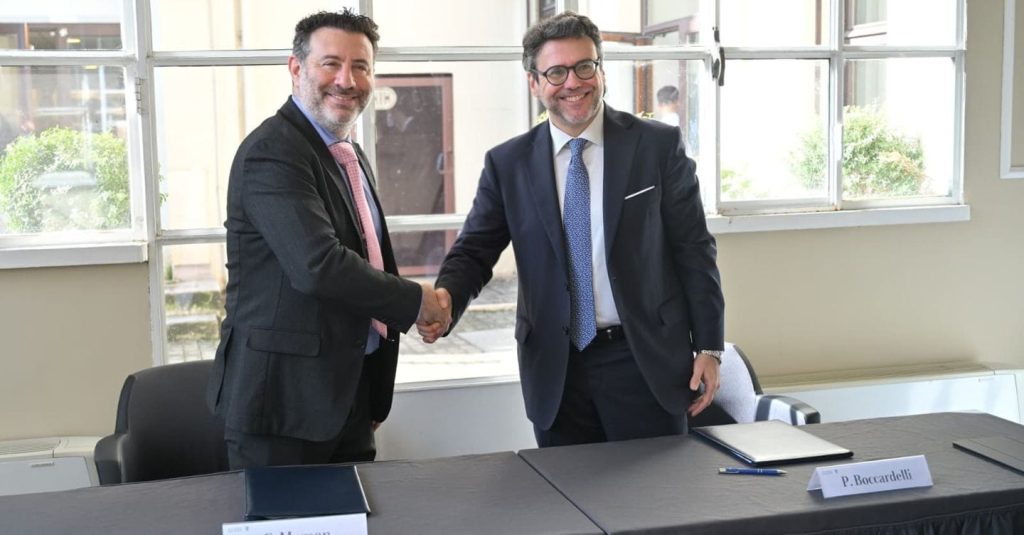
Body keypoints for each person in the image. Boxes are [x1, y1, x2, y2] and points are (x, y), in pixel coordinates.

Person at [424, 12, 725, 447]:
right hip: (556, 369)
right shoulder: (508, 164)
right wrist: (447, 299)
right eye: (556, 72)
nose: (573, 83)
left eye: (585, 67)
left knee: (655, 489)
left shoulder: (656, 146)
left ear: (601, 71)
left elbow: (694, 249)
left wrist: (710, 347)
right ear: (534, 83)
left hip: (645, 360)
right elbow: (475, 251)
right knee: (566, 490)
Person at [207, 9, 449, 469]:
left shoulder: (346, 152)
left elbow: (368, 257)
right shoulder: (272, 152)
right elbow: (319, 266)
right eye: (331, 64)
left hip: (346, 397)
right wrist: (417, 301)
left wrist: (368, 391)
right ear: (296, 68)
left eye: (360, 66)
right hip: (283, 409)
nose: (347, 80)